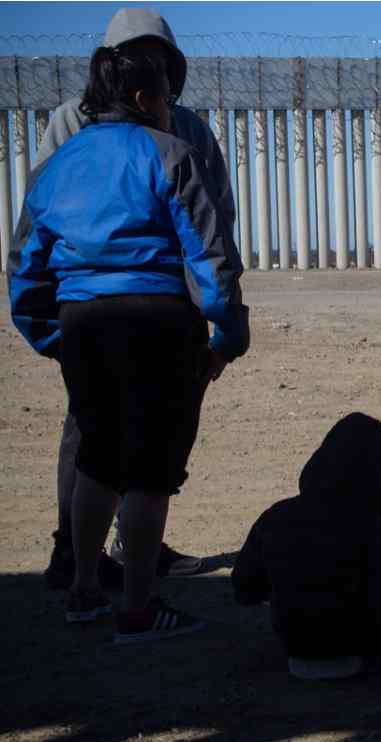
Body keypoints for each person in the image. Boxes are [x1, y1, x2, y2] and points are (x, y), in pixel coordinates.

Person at [8, 39, 250, 641]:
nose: (174, 107)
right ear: (145, 98)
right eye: (168, 97)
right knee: (149, 472)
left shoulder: (58, 164)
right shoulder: (170, 155)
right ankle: (139, 609)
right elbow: (210, 255)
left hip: (83, 323)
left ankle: (85, 590)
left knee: (97, 458)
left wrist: (49, 335)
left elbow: (25, 263)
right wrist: (228, 334)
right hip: (158, 324)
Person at [232, 413, 381, 684]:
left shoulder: (276, 515)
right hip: (355, 652)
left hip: (296, 651)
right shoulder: (373, 529)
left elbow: (244, 589)